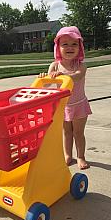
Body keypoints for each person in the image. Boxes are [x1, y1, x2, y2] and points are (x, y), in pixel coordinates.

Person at [39, 26, 92, 169]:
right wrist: (45, 78)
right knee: (66, 132)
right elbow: (47, 86)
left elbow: (77, 76)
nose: (70, 47)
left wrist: (64, 76)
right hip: (62, 106)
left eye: (74, 44)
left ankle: (81, 157)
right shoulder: (54, 66)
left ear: (79, 47)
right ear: (58, 47)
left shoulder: (81, 66)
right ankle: (67, 155)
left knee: (78, 133)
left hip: (79, 104)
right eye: (65, 44)